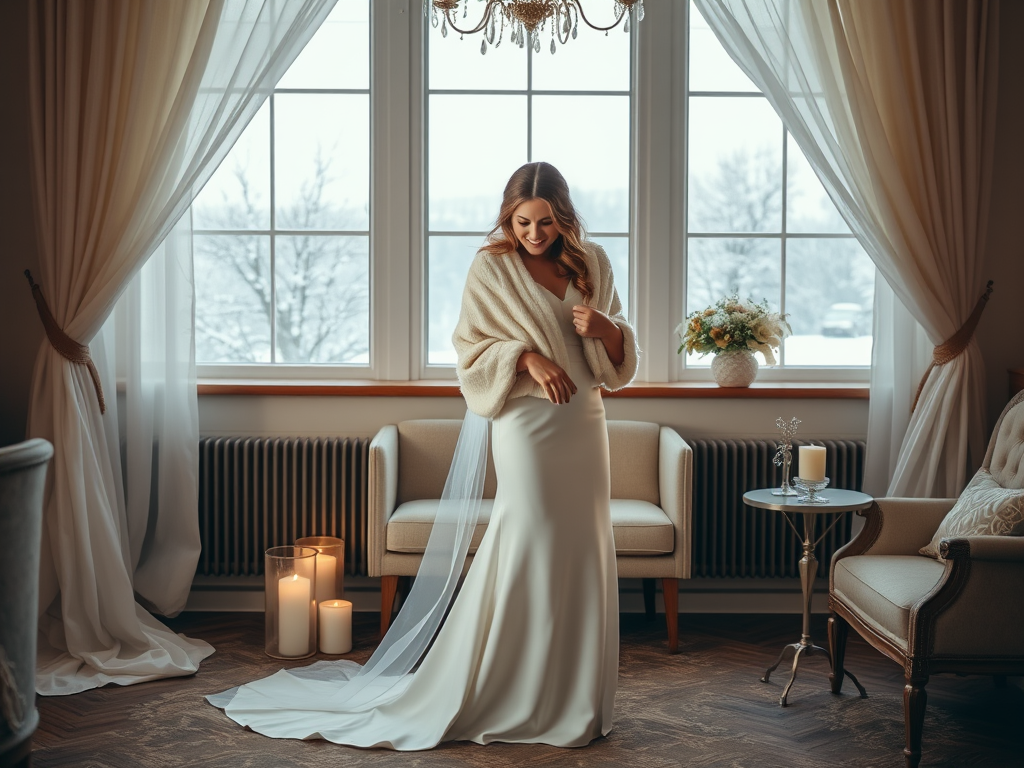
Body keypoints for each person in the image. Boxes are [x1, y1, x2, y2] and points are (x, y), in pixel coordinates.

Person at [208, 161, 639, 750]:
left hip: (584, 422)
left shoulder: (593, 264)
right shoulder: (492, 267)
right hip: (524, 421)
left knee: (583, 543)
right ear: (508, 219)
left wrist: (609, 329)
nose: (534, 234)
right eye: (522, 222)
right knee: (530, 534)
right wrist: (525, 358)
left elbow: (615, 360)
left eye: (544, 222)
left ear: (565, 218)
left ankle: (572, 696)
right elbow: (469, 348)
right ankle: (506, 685)